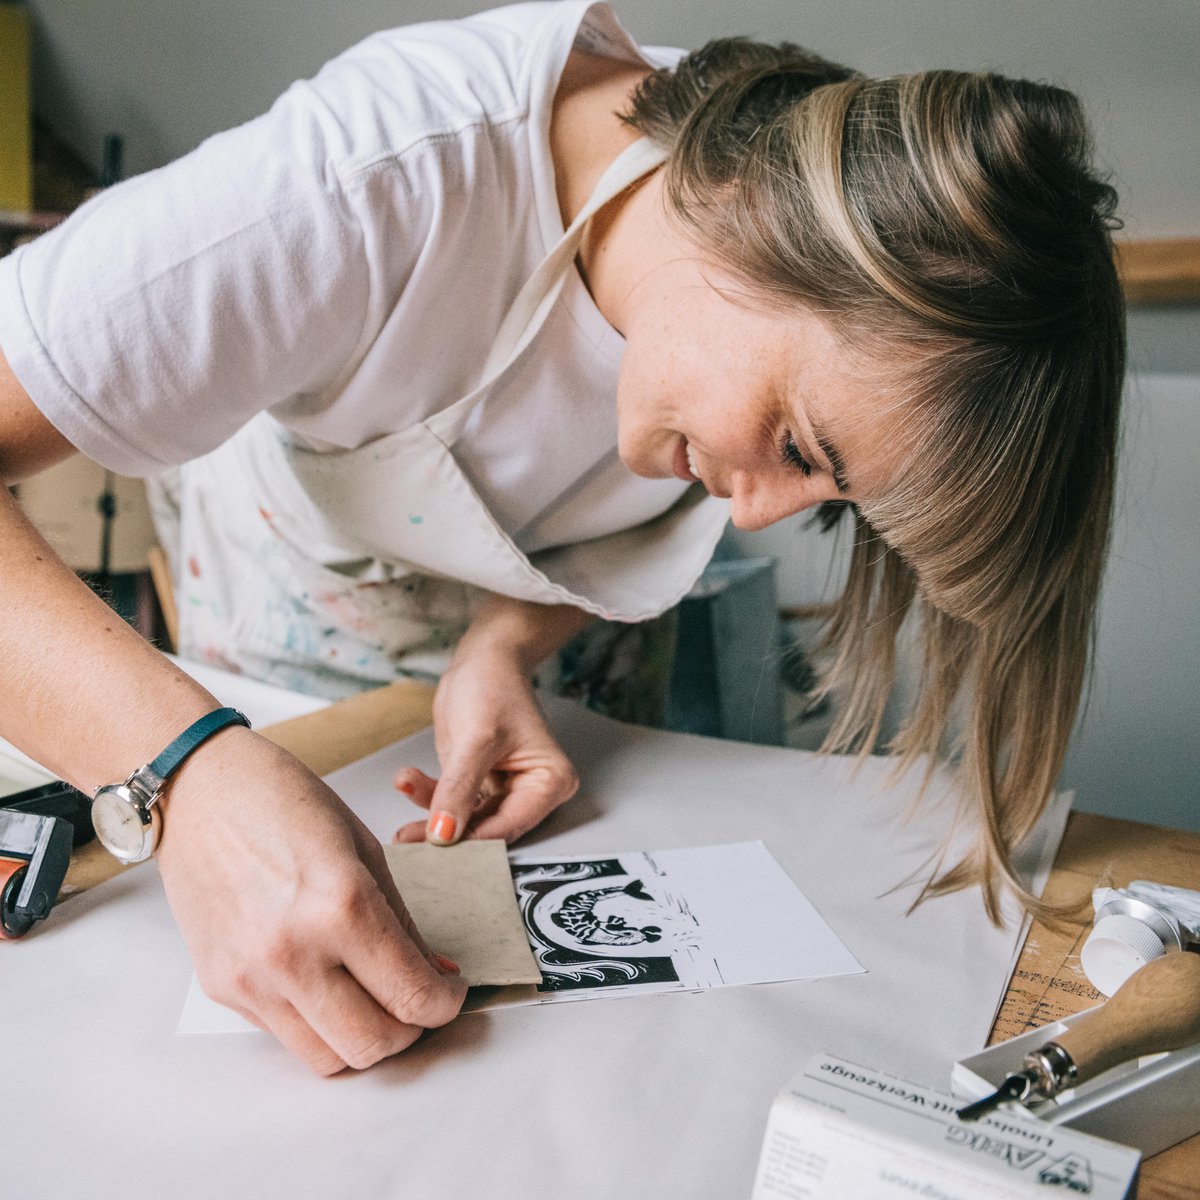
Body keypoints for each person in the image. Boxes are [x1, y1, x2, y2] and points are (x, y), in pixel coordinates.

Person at [0, 1, 1124, 1074]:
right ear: (745, 218)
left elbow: (607, 495)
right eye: (794, 443)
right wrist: (185, 776)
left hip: (564, 702)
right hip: (279, 657)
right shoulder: (366, 180)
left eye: (831, 496)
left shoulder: (760, 290)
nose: (752, 517)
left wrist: (501, 646)